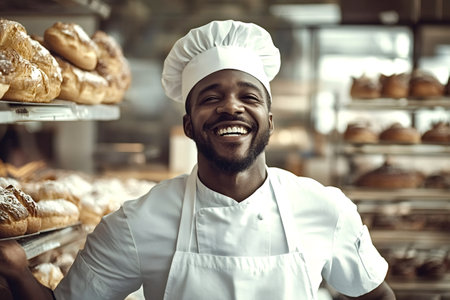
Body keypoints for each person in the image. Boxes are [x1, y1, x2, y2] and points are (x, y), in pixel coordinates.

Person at [0, 20, 395, 300]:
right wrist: (17, 270)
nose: (230, 108)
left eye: (249, 96)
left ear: (269, 121)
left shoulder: (324, 208)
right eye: (210, 97)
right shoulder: (136, 223)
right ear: (188, 125)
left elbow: (375, 295)